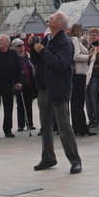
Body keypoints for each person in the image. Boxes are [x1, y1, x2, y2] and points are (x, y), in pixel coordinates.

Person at [33, 12, 82, 174]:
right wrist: (35, 48)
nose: (50, 18)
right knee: (45, 125)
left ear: (61, 24)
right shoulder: (48, 40)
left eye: (54, 17)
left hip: (59, 88)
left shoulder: (65, 42)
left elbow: (60, 63)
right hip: (44, 87)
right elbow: (40, 61)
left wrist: (43, 51)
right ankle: (48, 157)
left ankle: (75, 160)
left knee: (63, 125)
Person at [69, 24, 94, 137]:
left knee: (77, 102)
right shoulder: (74, 40)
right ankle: (80, 127)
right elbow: (75, 56)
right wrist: (87, 57)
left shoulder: (76, 40)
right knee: (78, 102)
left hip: (80, 73)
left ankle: (79, 127)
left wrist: (89, 53)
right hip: (79, 73)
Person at [12, 38, 36, 131]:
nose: (22, 47)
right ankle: (21, 124)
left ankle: (30, 123)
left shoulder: (27, 55)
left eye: (22, 45)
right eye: (19, 46)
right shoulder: (15, 58)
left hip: (29, 82)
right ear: (15, 48)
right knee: (20, 104)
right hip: (20, 83)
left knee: (29, 104)